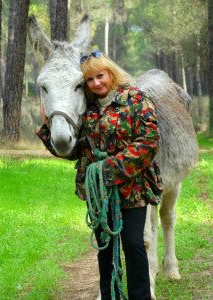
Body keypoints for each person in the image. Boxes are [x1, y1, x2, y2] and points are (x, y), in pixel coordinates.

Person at [37, 51, 163, 300]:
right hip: (97, 191)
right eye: (90, 80)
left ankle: (140, 296)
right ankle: (110, 295)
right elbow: (75, 152)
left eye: (100, 76)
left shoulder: (136, 99)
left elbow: (149, 141)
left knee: (134, 245)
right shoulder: (88, 108)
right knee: (105, 249)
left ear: (111, 73)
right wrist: (48, 128)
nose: (96, 83)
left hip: (132, 188)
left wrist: (108, 170)